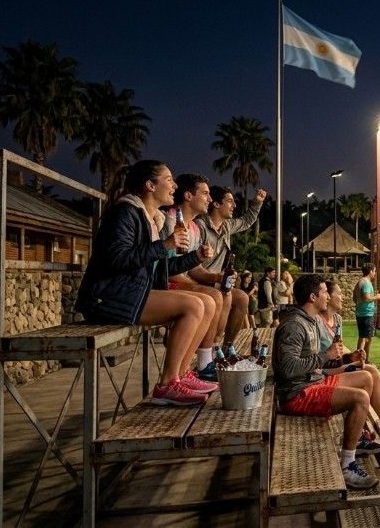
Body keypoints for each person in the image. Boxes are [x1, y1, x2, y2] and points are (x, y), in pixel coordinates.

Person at [76, 160, 218, 406]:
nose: (174, 185)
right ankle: (166, 385)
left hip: (133, 292)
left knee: (207, 301)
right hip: (108, 296)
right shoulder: (125, 212)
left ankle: (182, 375)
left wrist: (194, 257)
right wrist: (165, 245)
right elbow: (117, 259)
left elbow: (161, 267)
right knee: (194, 305)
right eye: (169, 180)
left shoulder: (156, 221)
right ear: (150, 185)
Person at [273, 274, 380, 489]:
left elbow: (318, 362)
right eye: (325, 292)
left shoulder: (310, 320)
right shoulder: (294, 325)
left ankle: (357, 437)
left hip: (313, 381)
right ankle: (347, 465)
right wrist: (327, 355)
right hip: (298, 394)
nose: (328, 296)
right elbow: (288, 370)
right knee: (360, 398)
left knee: (365, 376)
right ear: (313, 297)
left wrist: (345, 359)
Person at [160, 173, 230, 382]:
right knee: (213, 297)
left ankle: (199, 362)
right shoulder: (169, 221)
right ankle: (199, 364)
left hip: (179, 281)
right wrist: (202, 284)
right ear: (189, 196)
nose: (209, 199)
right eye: (206, 194)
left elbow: (193, 269)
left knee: (221, 294)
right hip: (165, 284)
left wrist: (217, 276)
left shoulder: (193, 227)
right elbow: (166, 269)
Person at [195, 185, 266, 344]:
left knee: (241, 298)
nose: (234, 205)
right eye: (230, 201)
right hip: (200, 281)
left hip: (217, 282)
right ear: (216, 204)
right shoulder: (200, 226)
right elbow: (190, 266)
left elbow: (246, 221)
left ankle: (227, 349)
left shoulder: (226, 226)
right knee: (221, 296)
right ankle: (211, 347)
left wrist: (257, 203)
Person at [321, 280, 380, 420]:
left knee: (373, 371)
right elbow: (318, 360)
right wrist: (344, 362)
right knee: (366, 376)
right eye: (339, 294)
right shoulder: (317, 322)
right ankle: (361, 424)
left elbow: (338, 353)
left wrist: (351, 357)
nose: (343, 297)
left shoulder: (337, 319)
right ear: (328, 297)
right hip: (324, 372)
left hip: (335, 366)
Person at [352, 263, 380, 361]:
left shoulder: (359, 282)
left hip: (361, 313)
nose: (375, 273)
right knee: (366, 338)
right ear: (370, 271)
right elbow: (366, 298)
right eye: (374, 271)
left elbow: (354, 297)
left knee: (364, 338)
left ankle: (361, 360)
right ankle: (362, 361)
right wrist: (377, 297)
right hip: (366, 314)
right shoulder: (366, 283)